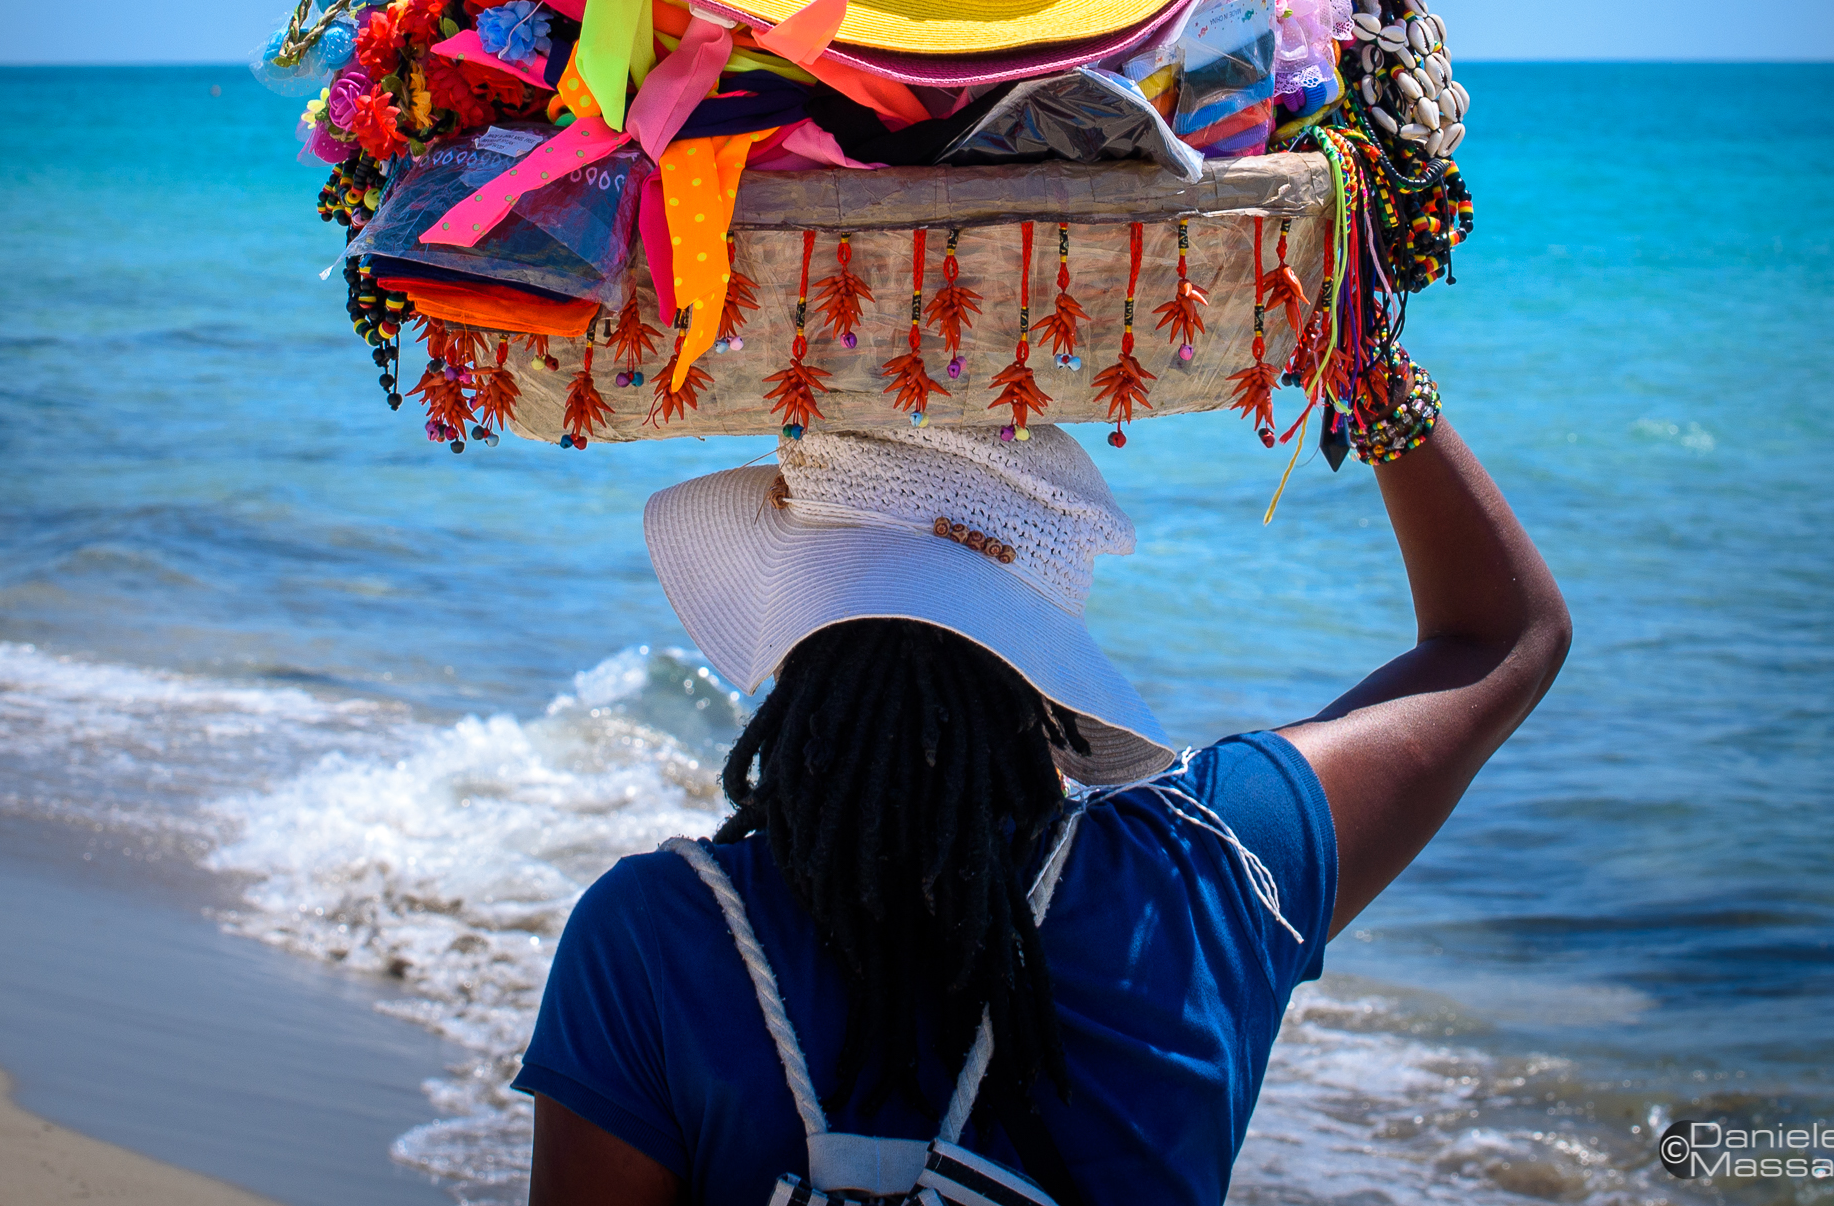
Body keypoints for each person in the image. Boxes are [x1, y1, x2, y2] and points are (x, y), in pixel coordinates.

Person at [515, 392, 1569, 1204]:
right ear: (1046, 674)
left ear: (799, 629)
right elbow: (1504, 638)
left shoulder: (652, 937)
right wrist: (1369, 365)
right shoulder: (1205, 879)